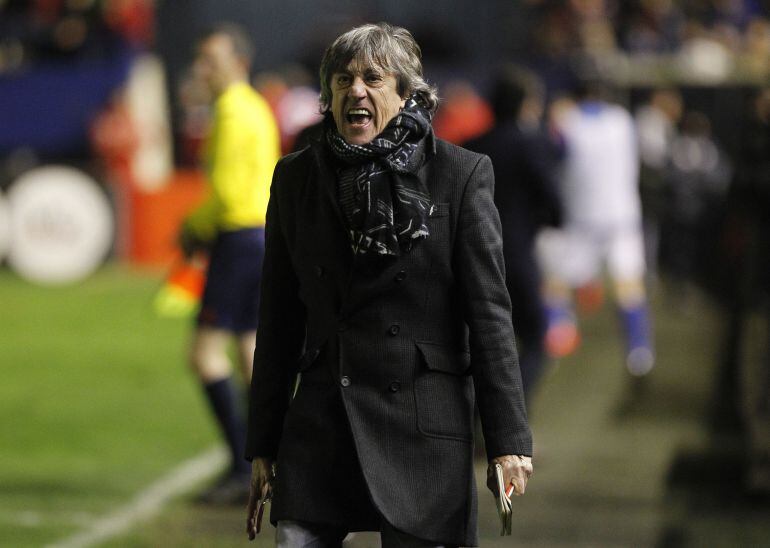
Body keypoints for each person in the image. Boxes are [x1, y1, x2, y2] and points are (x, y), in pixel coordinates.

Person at [244, 22, 533, 547]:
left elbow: (489, 314)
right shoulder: (295, 178)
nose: (355, 90)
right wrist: (263, 442)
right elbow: (279, 317)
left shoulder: (462, 174)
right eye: (341, 80)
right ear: (328, 97)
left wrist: (507, 441)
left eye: (373, 78)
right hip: (323, 424)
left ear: (406, 94)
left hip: (422, 430)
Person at [178, 23, 280, 503]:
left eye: (211, 60)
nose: (203, 69)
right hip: (259, 237)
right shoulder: (253, 106)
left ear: (238, 63)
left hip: (238, 238)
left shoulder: (233, 111)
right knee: (249, 352)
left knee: (204, 354)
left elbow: (226, 193)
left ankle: (245, 466)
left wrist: (194, 226)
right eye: (202, 60)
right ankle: (271, 460)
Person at [540, 77, 654, 377]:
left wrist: (557, 118)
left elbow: (553, 153)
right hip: (622, 216)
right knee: (629, 285)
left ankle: (558, 333)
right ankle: (639, 350)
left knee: (556, 281)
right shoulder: (623, 120)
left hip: (581, 217)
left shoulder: (568, 121)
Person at [466, 65, 562, 395]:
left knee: (484, 341)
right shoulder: (530, 144)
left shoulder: (470, 145)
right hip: (516, 255)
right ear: (525, 104)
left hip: (471, 256)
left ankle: (479, 416)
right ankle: (507, 416)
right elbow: (551, 197)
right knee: (537, 336)